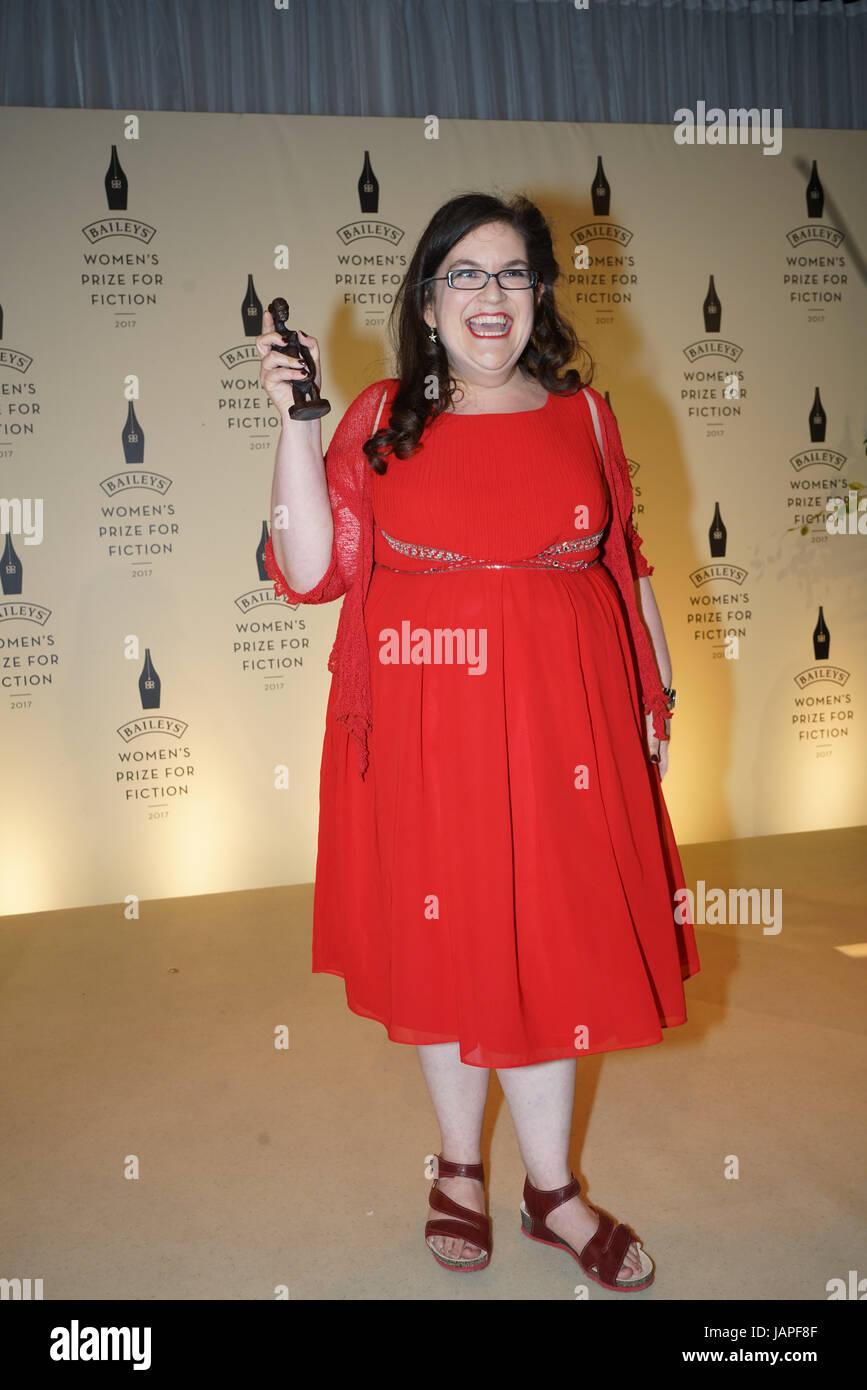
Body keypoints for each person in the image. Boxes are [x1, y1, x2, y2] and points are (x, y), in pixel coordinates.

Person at [257, 192, 700, 1293]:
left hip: (568, 729)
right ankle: (459, 1165)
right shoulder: (379, 417)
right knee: (455, 946)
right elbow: (309, 569)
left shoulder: (587, 417)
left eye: (511, 274)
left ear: (540, 295)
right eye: (464, 274)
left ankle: (551, 1189)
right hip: (432, 732)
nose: (489, 296)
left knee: (554, 945)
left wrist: (652, 691)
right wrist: (297, 422)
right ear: (429, 298)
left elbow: (622, 562)